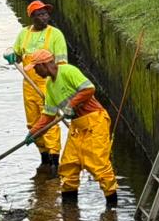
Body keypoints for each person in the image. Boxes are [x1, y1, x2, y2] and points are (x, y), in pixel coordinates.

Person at [24, 50, 119, 209]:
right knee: (68, 167)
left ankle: (112, 209)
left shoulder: (68, 71)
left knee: (99, 166)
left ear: (44, 65)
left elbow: (89, 89)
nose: (35, 71)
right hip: (77, 126)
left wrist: (71, 105)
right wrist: (34, 132)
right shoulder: (49, 85)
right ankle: (69, 214)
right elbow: (48, 115)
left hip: (95, 121)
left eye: (36, 68)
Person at [4, 0, 67, 171]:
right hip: (29, 86)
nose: (44, 17)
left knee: (50, 122)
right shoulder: (23, 34)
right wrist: (11, 55)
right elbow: (17, 55)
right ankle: (44, 157)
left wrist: (58, 88)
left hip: (48, 85)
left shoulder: (55, 35)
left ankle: (55, 160)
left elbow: (61, 64)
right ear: (32, 17)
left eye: (46, 14)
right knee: (33, 124)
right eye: (40, 15)